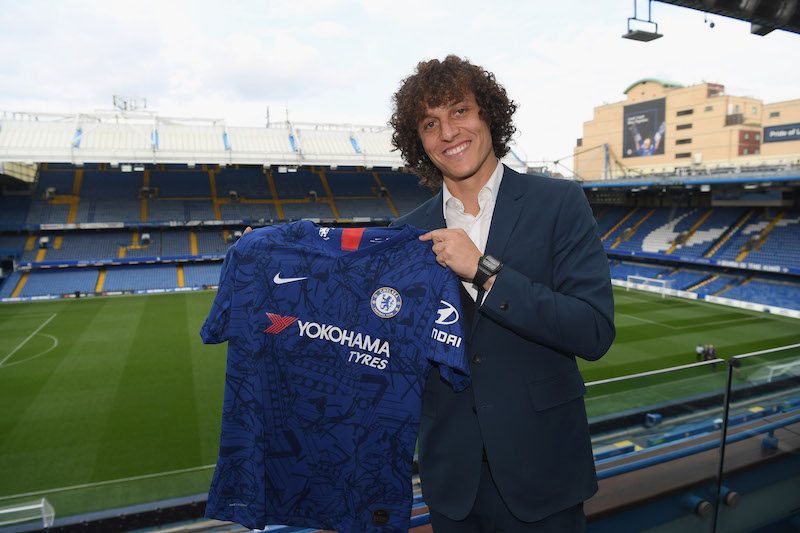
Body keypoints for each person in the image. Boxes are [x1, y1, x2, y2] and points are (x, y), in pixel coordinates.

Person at [389, 55, 615, 532]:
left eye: (460, 111)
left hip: (545, 475)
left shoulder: (560, 203)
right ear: (418, 141)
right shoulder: (404, 234)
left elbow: (594, 332)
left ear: (488, 114)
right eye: (430, 123)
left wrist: (485, 272)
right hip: (452, 486)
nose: (448, 132)